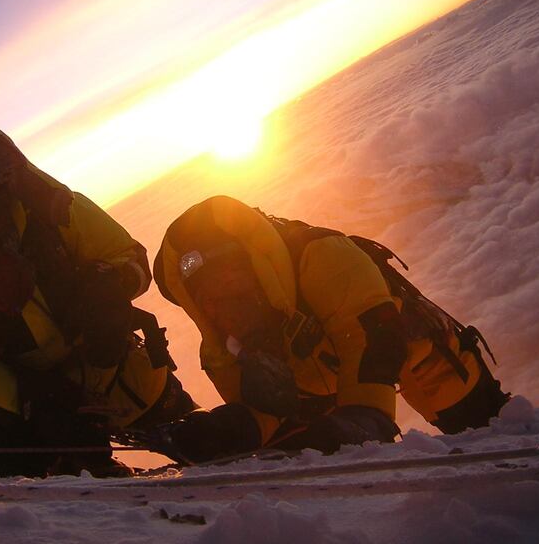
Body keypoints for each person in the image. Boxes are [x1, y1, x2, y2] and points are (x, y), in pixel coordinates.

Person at [0, 106, 194, 478]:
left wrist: (112, 288)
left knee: (204, 441)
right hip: (37, 416)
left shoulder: (54, 212)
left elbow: (127, 256)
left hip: (124, 375)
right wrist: (34, 401)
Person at [152, 195, 509, 463]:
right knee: (307, 440)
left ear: (254, 266)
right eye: (206, 298)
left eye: (227, 283)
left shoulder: (323, 258)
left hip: (402, 344)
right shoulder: (219, 350)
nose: (221, 304)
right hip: (315, 379)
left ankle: (504, 430)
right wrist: (226, 431)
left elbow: (374, 341)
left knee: (480, 422)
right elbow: (264, 412)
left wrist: (365, 419)